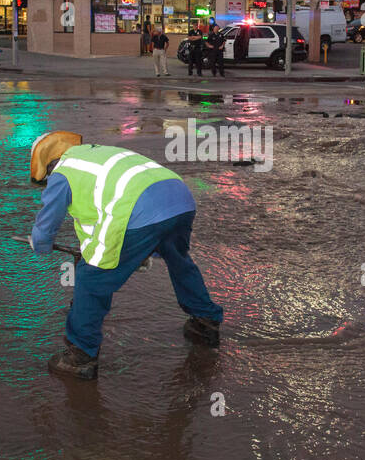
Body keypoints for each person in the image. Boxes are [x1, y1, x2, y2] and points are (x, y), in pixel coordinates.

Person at [28, 131, 224, 380]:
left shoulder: (63, 171)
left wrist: (39, 244)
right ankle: (206, 322)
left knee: (91, 280)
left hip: (139, 211)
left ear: (47, 163)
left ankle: (81, 356)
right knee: (179, 261)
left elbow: (48, 223)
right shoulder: (99, 153)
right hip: (180, 200)